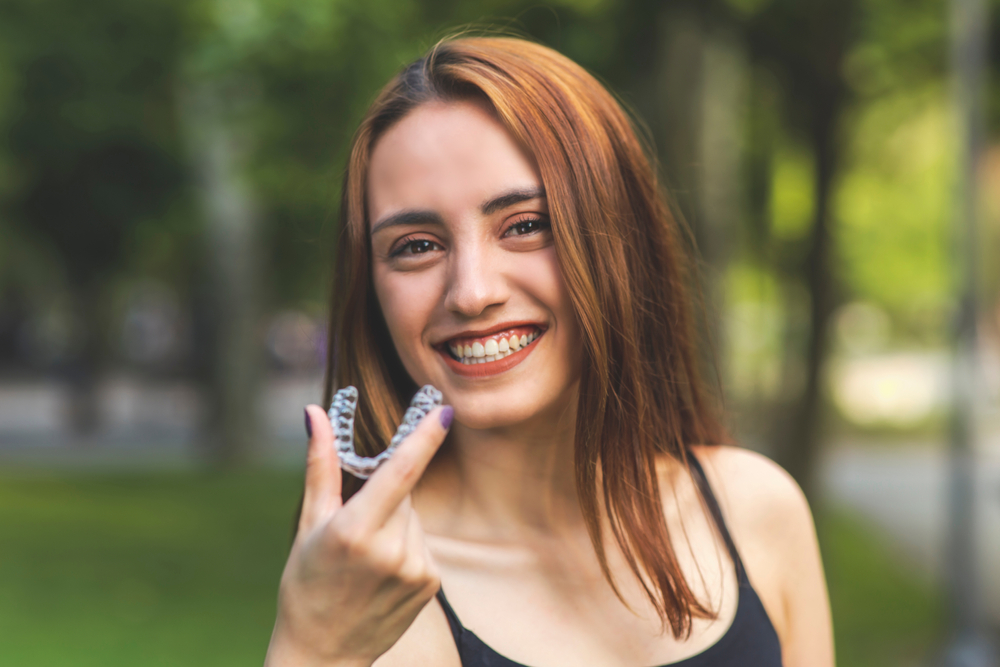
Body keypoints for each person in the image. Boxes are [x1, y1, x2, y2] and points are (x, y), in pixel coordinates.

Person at [264, 35, 834, 667]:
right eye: (417, 245)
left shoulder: (758, 509)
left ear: (623, 240)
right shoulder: (380, 597)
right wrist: (312, 649)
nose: (472, 292)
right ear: (370, 291)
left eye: (526, 225)